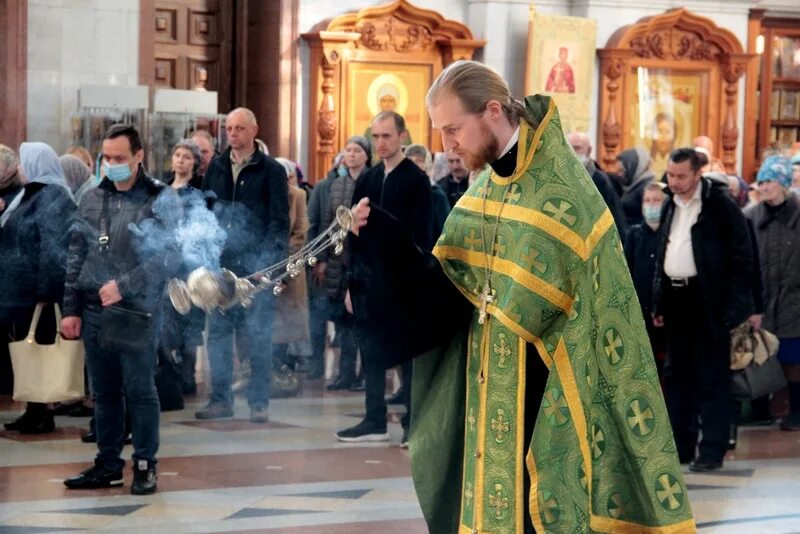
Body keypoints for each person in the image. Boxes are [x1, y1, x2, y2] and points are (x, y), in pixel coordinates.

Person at [348, 60, 693, 532]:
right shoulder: (485, 188)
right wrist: (386, 241)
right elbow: (453, 288)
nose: (447, 145)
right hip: (488, 391)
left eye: (453, 129)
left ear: (492, 111)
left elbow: (585, 312)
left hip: (547, 393)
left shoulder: (567, 193)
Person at [61, 124, 180, 495]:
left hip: (138, 311)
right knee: (104, 391)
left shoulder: (160, 199)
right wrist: (71, 308)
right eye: (106, 158)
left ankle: (145, 464)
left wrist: (124, 286)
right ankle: (108, 463)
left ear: (139, 156)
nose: (111, 164)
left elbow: (168, 257)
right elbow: (76, 253)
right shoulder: (93, 197)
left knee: (140, 390)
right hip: (95, 310)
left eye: (119, 158)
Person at [652, 147, 756, 473]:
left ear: (698, 173)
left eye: (681, 176)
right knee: (676, 376)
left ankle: (711, 449)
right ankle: (681, 447)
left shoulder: (720, 206)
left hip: (708, 301)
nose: (674, 181)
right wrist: (658, 301)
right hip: (676, 299)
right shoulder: (670, 202)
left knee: (711, 379)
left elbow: (743, 258)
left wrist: (734, 309)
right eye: (670, 175)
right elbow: (663, 251)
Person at [337, 111, 434, 447]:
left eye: (386, 136)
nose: (380, 143)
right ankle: (374, 419)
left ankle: (412, 423)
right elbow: (354, 234)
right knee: (372, 350)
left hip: (402, 281)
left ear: (402, 137)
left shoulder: (416, 180)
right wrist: (351, 284)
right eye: (375, 136)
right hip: (368, 281)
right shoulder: (367, 179)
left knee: (406, 356)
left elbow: (421, 236)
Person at [198, 107, 289, 423]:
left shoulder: (272, 170)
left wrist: (268, 264)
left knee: (258, 335)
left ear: (254, 130)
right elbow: (206, 214)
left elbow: (279, 222)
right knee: (219, 335)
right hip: (222, 266)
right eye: (229, 128)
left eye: (239, 128)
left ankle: (258, 401)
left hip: (256, 269)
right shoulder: (217, 167)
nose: (232, 134)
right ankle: (220, 399)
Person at [1, 143, 76, 434]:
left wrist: (45, 292)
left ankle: (42, 411)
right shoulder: (28, 194)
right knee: (26, 353)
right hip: (17, 290)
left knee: (38, 352)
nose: (20, 166)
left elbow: (52, 247)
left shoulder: (54, 196)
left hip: (35, 292)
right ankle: (33, 409)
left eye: (24, 161)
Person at [308, 136, 371, 391]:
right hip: (338, 259)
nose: (352, 154)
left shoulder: (372, 181)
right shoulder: (337, 185)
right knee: (344, 320)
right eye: (348, 150)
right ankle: (345, 374)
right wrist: (321, 259)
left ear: (366, 155)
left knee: (364, 321)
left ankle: (366, 375)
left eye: (357, 150)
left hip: (364, 259)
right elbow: (327, 224)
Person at [744, 156, 800, 430]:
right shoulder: (751, 216)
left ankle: (796, 411)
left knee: (793, 359)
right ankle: (759, 409)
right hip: (762, 298)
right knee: (759, 354)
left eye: (769, 181)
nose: (763, 187)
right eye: (761, 181)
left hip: (794, 298)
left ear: (784, 183)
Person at [272, 157, 310, 378]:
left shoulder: (298, 195)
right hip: (264, 268)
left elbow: (299, 235)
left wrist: (282, 271)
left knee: (285, 326)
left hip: (288, 267)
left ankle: (282, 370)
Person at [624, 182, 666, 374]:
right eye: (647, 200)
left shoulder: (669, 233)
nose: (651, 205)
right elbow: (628, 272)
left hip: (665, 313)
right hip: (640, 310)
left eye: (656, 200)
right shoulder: (634, 234)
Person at [567, 131, 628, 239]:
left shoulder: (600, 180)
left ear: (589, 151)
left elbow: (614, 219)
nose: (571, 152)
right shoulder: (562, 176)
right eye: (568, 147)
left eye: (577, 148)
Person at [405, 143, 450, 242]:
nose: (414, 164)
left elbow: (444, 233)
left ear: (427, 164)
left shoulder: (436, 195)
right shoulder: (402, 191)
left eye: (419, 161)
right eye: (409, 160)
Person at [616, 147, 656, 227]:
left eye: (622, 170)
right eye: (618, 170)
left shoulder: (648, 188)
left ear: (633, 168)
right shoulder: (633, 185)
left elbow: (650, 222)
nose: (619, 174)